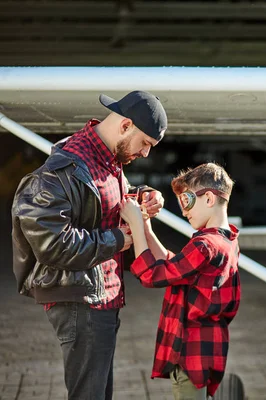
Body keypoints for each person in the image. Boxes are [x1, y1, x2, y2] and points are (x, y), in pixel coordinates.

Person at [11, 90, 168, 400]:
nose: (146, 154)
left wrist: (141, 197)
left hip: (99, 297)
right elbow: (54, 244)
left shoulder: (107, 159)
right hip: (80, 301)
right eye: (146, 144)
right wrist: (123, 238)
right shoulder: (65, 168)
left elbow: (100, 205)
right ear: (125, 126)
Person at [119, 163, 241, 400]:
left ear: (208, 199)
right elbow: (177, 267)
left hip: (190, 353)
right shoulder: (227, 241)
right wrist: (145, 228)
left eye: (187, 201)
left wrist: (134, 224)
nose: (184, 211)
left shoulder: (205, 244)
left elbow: (152, 275)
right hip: (207, 350)